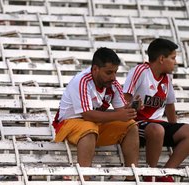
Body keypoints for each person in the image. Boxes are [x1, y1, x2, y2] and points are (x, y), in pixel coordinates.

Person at [52, 47, 139, 181]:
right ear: (95, 69)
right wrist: (119, 115)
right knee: (89, 128)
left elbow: (121, 112)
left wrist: (133, 108)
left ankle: (132, 178)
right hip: (67, 124)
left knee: (131, 126)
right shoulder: (82, 81)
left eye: (115, 72)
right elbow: (87, 115)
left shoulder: (113, 84)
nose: (113, 77)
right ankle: (84, 179)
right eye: (109, 72)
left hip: (93, 125)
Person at [123, 38, 189, 182]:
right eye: (173, 58)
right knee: (157, 130)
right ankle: (150, 174)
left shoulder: (166, 78)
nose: (175, 62)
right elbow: (125, 98)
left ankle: (166, 174)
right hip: (136, 124)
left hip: (157, 124)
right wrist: (134, 104)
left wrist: (175, 129)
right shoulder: (140, 71)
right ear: (161, 59)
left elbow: (170, 104)